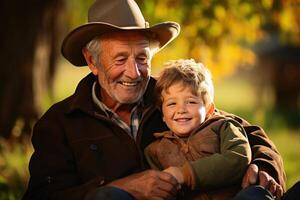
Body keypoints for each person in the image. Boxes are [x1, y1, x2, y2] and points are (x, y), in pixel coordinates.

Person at [22, 0, 286, 199]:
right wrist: (119, 188)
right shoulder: (60, 122)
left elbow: (246, 131)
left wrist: (263, 167)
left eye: (142, 58)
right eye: (120, 59)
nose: (134, 73)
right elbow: (44, 195)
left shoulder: (171, 94)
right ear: (92, 61)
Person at [144, 59, 252, 199]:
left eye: (191, 102)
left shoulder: (222, 127)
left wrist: (185, 174)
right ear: (162, 114)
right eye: (172, 104)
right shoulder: (155, 151)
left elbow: (239, 157)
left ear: (209, 109)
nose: (181, 109)